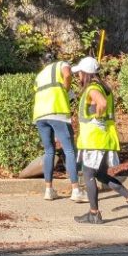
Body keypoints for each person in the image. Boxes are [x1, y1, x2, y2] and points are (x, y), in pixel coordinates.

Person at [72, 56, 128, 224]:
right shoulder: (105, 87)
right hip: (104, 139)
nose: (78, 77)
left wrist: (97, 116)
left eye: (80, 73)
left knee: (89, 175)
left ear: (86, 73)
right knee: (101, 175)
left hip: (94, 140)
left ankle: (94, 214)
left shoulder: (92, 88)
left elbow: (102, 103)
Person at [33, 57, 87, 202]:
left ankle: (49, 190)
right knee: (69, 150)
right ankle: (76, 190)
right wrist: (66, 89)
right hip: (57, 111)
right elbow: (68, 74)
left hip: (40, 115)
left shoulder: (40, 74)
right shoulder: (62, 64)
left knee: (49, 151)